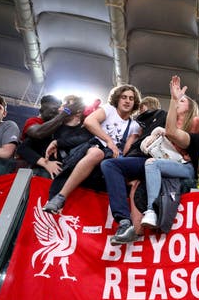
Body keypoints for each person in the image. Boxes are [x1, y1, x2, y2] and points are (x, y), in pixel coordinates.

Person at [105, 90, 199, 245]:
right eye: (177, 100)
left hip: (184, 166)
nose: (177, 102)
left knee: (151, 165)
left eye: (182, 101)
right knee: (127, 176)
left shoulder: (194, 122)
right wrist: (152, 136)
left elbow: (188, 144)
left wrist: (161, 133)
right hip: (163, 162)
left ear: (190, 107)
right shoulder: (169, 121)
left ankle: (150, 212)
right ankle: (128, 226)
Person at [42, 85, 142, 213]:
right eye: (124, 97)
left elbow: (127, 149)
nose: (127, 101)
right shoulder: (109, 110)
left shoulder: (134, 125)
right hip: (94, 148)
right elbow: (89, 121)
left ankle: (125, 221)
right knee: (97, 153)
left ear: (135, 103)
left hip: (111, 158)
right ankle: (60, 197)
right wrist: (108, 141)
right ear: (117, 99)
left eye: (131, 98)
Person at [16, 95, 67, 178]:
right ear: (42, 109)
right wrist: (62, 116)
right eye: (53, 110)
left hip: (53, 168)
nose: (55, 114)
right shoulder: (33, 121)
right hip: (31, 167)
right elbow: (37, 134)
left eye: (57, 112)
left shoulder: (58, 127)